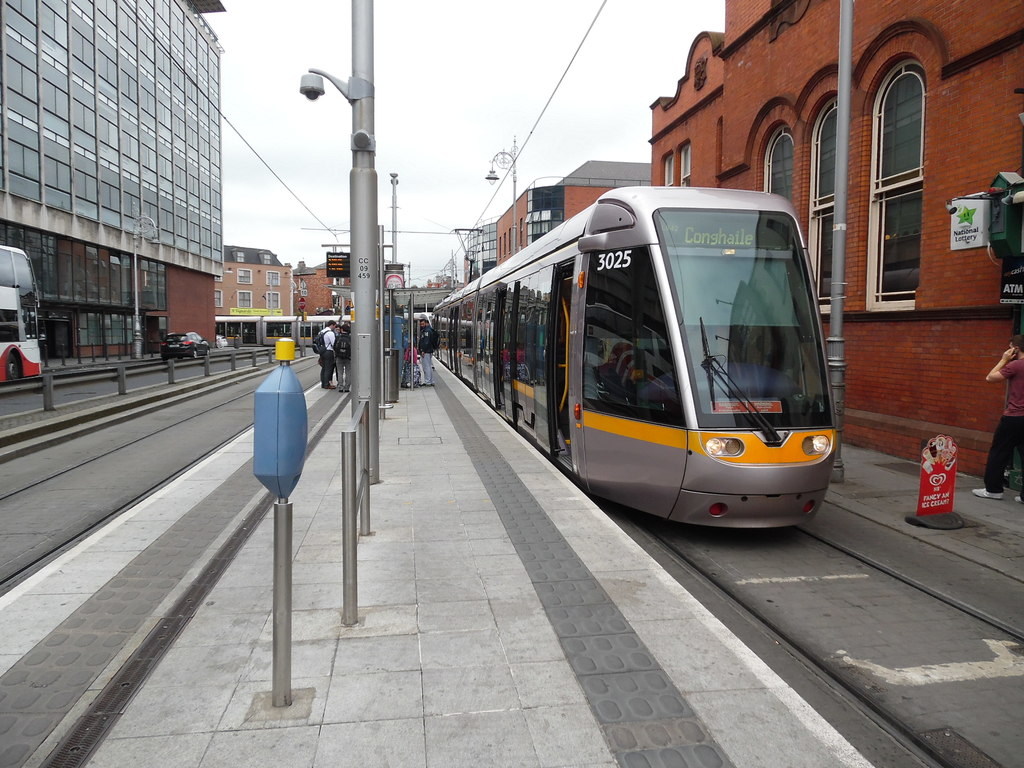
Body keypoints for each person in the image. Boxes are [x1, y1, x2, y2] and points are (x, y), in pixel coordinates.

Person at [974, 335, 1024, 500]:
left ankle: (993, 490)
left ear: (1015, 349)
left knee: (999, 452)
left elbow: (990, 378)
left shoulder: (1016, 365)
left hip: (1014, 417)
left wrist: (1004, 360)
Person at [418, 317, 440, 386]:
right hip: (429, 350)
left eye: (423, 324)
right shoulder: (430, 330)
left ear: (426, 323)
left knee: (426, 366)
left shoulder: (426, 331)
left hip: (426, 351)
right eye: (421, 324)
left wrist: (423, 350)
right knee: (428, 366)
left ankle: (428, 381)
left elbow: (426, 342)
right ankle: (430, 380)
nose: (421, 325)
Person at [318, 320, 338, 390]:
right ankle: (327, 384)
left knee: (323, 368)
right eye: (335, 326)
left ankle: (323, 383)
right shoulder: (330, 333)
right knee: (328, 368)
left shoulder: (321, 331)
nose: (335, 328)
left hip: (322, 351)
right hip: (328, 351)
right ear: (332, 325)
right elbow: (334, 343)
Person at [334, 322, 352, 392]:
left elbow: (334, 347)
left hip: (339, 357)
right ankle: (347, 387)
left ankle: (340, 387)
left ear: (341, 330)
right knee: (348, 372)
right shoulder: (350, 338)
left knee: (340, 372)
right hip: (348, 357)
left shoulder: (338, 337)